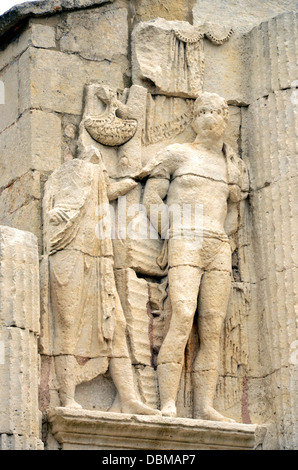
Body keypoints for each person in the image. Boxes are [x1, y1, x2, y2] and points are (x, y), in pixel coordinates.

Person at [143, 92, 248, 421]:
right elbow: (151, 198)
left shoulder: (230, 164)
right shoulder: (177, 154)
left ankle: (204, 405)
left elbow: (233, 210)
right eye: (201, 111)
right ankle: (167, 403)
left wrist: (225, 238)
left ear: (224, 118)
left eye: (214, 112)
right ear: (192, 117)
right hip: (185, 239)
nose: (207, 117)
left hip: (217, 244)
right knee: (183, 315)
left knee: (212, 327)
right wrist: (170, 231)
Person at [41, 145, 160, 416]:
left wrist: (139, 176)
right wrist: (53, 215)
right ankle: (67, 397)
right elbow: (51, 210)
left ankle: (128, 397)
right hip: (68, 254)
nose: (101, 168)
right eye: (98, 163)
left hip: (99, 260)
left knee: (115, 324)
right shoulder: (65, 176)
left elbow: (110, 190)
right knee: (67, 324)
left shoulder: (97, 183)